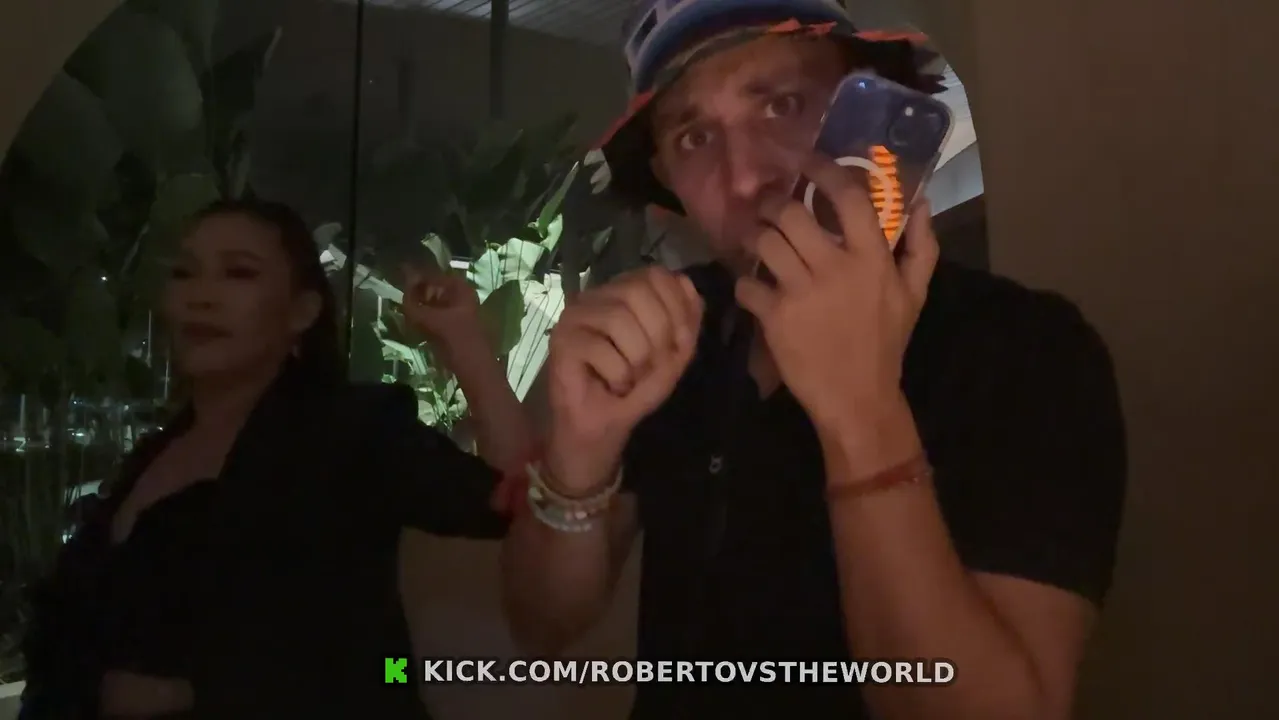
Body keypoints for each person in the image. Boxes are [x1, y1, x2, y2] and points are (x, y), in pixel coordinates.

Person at [501, 2, 1127, 719]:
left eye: (783, 104)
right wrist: (579, 458)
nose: (744, 178)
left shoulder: (1023, 348)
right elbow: (542, 628)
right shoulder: (680, 331)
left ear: (876, 110)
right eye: (694, 136)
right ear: (666, 178)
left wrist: (860, 408)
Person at [19, 199, 534, 719]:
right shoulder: (155, 453)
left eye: (238, 273)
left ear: (302, 312)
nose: (202, 296)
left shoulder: (351, 431)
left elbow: (513, 498)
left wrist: (463, 340)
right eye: (184, 273)